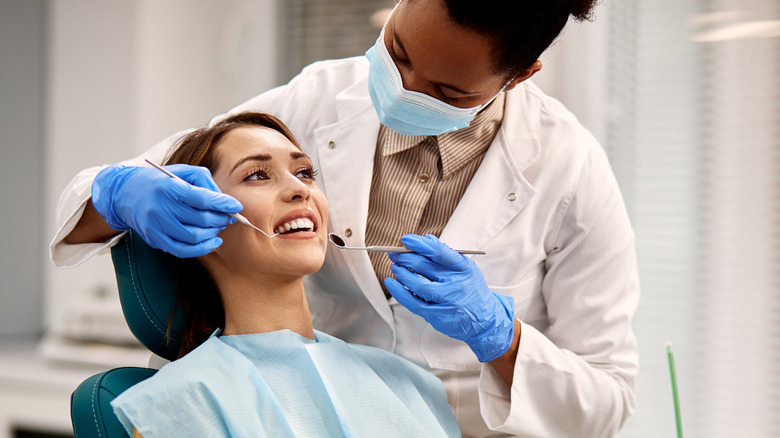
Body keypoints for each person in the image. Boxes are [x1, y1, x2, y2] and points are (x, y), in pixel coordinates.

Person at [52, 1, 639, 436]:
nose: (402, 89)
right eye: (398, 53)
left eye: (444, 90)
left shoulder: (570, 168)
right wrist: (118, 193)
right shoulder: (189, 407)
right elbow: (126, 184)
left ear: (521, 75)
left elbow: (607, 399)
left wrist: (500, 338)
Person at [109, 111, 461, 438]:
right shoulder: (180, 404)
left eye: (305, 172)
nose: (300, 189)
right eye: (257, 175)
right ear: (198, 221)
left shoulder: (408, 385)